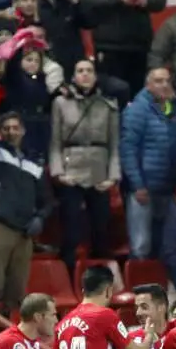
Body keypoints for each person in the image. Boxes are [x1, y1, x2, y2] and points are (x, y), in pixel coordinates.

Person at [49, 58, 121, 276]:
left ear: (96, 76)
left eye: (89, 70)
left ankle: (100, 282)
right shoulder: (60, 103)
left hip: (99, 172)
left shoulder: (108, 105)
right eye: (80, 71)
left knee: (100, 229)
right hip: (71, 170)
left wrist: (113, 176)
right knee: (71, 232)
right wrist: (58, 173)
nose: (85, 74)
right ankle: (67, 278)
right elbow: (55, 142)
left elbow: (114, 144)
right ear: (73, 76)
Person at [0, 113, 50, 317]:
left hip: (24, 233)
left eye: (15, 127)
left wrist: (40, 218)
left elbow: (47, 200)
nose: (11, 132)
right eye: (6, 128)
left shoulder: (35, 163)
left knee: (17, 290)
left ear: (23, 131)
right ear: (0, 132)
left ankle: (9, 338)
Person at [120, 67, 176, 259]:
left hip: (167, 187)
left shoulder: (174, 109)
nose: (164, 85)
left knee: (165, 245)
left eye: (167, 81)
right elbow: (128, 149)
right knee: (141, 246)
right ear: (148, 85)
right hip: (143, 188)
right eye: (158, 81)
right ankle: (138, 287)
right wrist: (137, 184)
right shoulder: (137, 109)